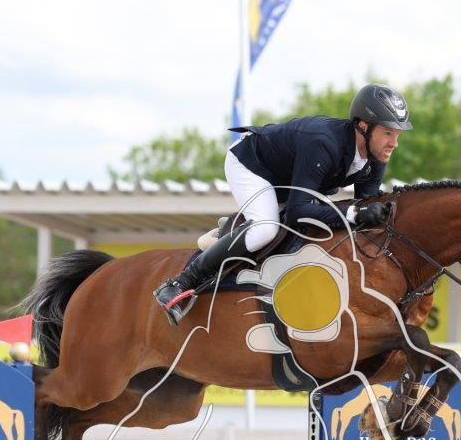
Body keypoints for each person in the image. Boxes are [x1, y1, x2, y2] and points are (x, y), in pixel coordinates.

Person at [154, 83, 412, 324]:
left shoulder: (376, 156)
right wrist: (355, 213)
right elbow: (298, 213)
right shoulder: (324, 143)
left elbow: (364, 207)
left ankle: (237, 231)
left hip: (289, 180)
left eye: (398, 135)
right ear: (364, 127)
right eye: (388, 133)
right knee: (265, 229)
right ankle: (180, 284)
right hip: (253, 165)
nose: (394, 143)